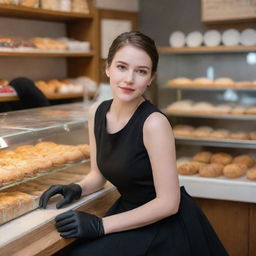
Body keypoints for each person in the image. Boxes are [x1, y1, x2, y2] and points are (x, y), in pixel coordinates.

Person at [39, 31, 228, 255]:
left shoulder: (154, 123)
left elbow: (169, 203)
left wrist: (100, 225)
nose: (129, 79)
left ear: (150, 79)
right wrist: (77, 188)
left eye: (141, 71)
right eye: (121, 67)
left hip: (162, 224)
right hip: (129, 213)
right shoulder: (97, 112)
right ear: (107, 67)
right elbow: (98, 174)